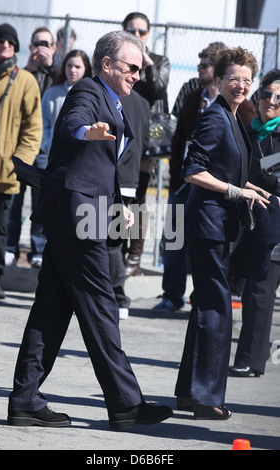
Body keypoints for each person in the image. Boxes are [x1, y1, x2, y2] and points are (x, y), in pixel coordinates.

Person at [7, 31, 173, 429]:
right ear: (106, 65)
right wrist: (87, 131)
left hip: (80, 215)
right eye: (131, 67)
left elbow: (99, 167)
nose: (137, 74)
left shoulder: (116, 101)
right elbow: (74, 125)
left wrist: (120, 207)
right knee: (101, 307)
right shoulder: (88, 91)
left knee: (49, 312)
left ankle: (25, 400)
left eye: (140, 68)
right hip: (79, 220)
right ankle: (125, 404)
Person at [174, 47, 271, 420]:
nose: (241, 86)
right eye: (234, 79)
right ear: (218, 79)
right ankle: (205, 398)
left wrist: (249, 186)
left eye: (247, 81)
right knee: (217, 309)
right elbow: (192, 170)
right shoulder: (215, 117)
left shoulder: (232, 116)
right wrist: (237, 191)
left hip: (217, 224)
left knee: (205, 305)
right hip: (208, 226)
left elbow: (225, 169)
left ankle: (189, 392)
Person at [153, 42, 226, 312]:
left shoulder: (234, 104)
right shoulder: (193, 98)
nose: (199, 69)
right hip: (183, 184)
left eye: (205, 65)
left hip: (213, 189)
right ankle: (172, 296)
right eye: (199, 64)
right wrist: (177, 176)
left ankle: (202, 300)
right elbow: (178, 140)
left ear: (217, 70)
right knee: (174, 241)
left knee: (205, 247)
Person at [0, 23, 42, 299]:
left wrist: (21, 162)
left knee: (0, 227)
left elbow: (33, 128)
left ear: (16, 47)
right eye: (0, 40)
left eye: (10, 42)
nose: (5, 45)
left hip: (6, 168)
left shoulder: (26, 81)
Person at [229, 69, 280, 378]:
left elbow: (265, 175)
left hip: (274, 223)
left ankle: (251, 359)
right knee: (252, 292)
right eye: (266, 95)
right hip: (250, 221)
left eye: (278, 98)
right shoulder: (248, 131)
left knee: (261, 292)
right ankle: (251, 356)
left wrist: (257, 177)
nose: (270, 102)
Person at [121, 12, 170, 277]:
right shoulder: (118, 58)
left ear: (149, 34)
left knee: (138, 197)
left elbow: (159, 90)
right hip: (118, 131)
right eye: (132, 30)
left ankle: (134, 257)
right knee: (118, 195)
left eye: (142, 31)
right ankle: (117, 252)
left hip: (144, 137)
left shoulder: (159, 61)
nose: (137, 36)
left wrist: (147, 62)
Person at [5, 27, 57, 268]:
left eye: (45, 43)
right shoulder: (24, 73)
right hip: (22, 147)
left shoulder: (58, 74)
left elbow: (70, 84)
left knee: (41, 202)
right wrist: (27, 69)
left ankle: (38, 249)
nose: (40, 48)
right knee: (15, 199)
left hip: (46, 149)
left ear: (54, 47)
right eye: (36, 43)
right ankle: (10, 246)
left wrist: (52, 66)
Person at [108, 89, 150, 320]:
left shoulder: (108, 96)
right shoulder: (142, 103)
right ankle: (116, 297)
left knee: (111, 243)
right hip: (128, 181)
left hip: (112, 180)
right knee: (112, 242)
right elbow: (147, 148)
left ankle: (118, 297)